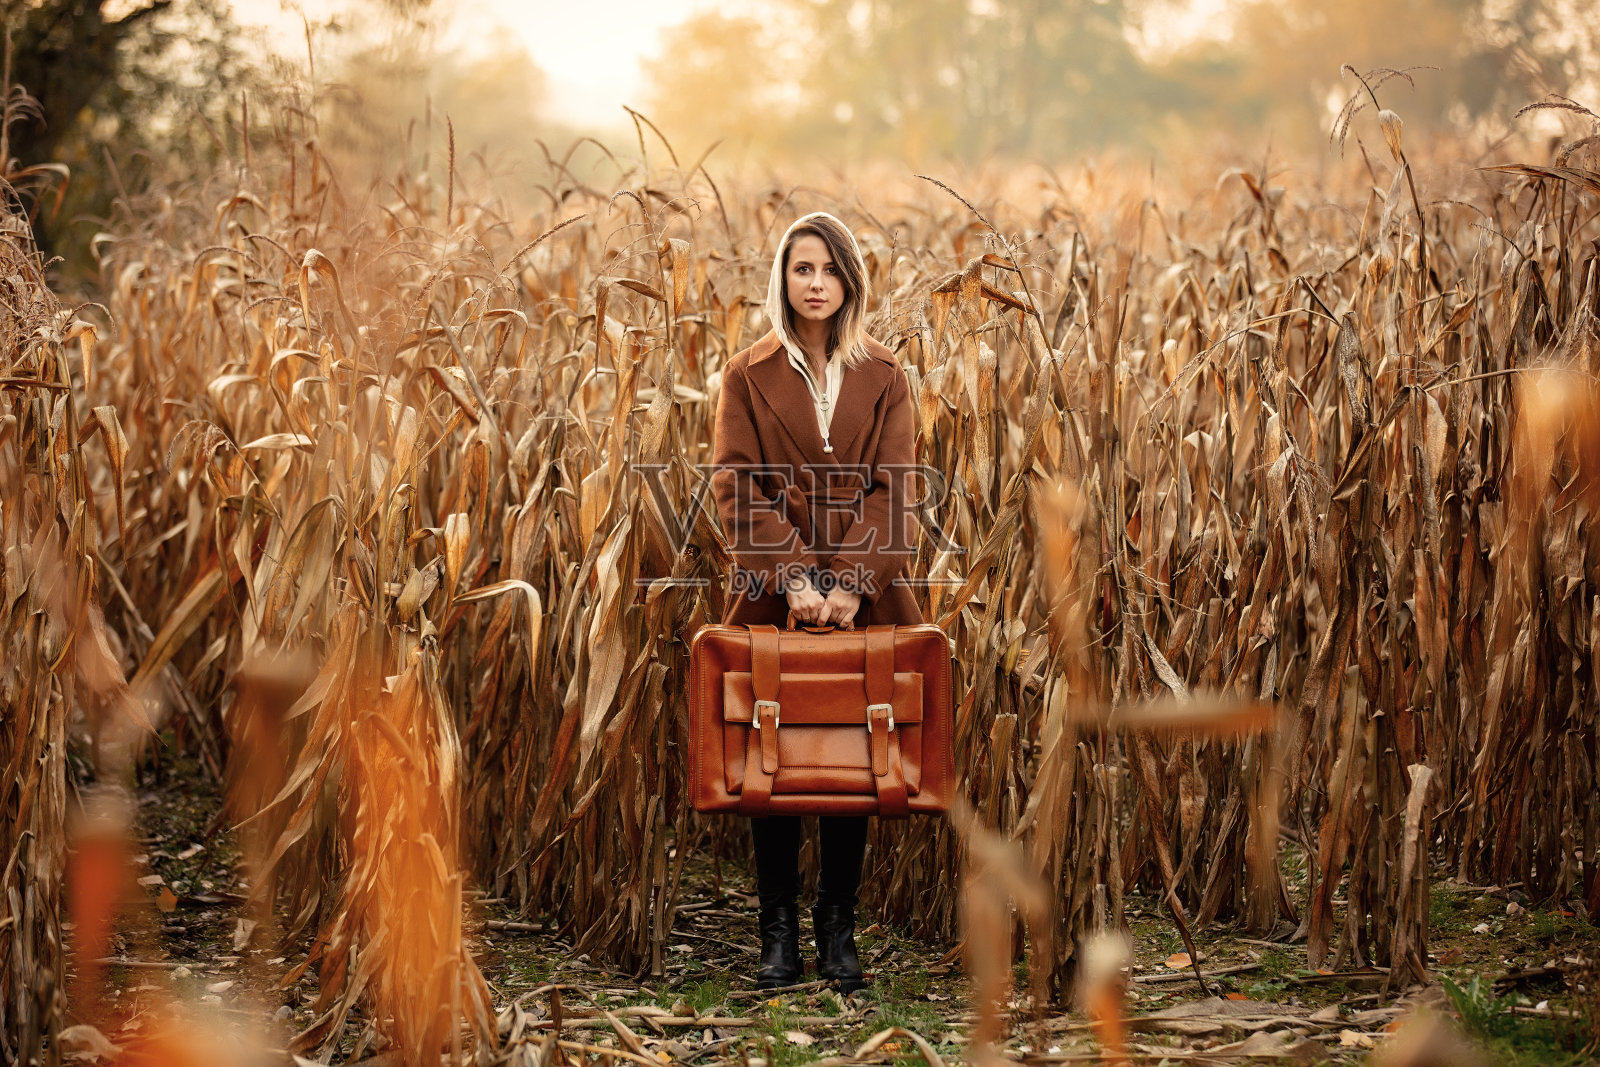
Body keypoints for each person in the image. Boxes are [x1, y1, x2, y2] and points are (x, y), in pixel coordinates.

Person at [709, 211, 922, 992]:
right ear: (783, 278)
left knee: (852, 755)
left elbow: (894, 491)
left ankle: (837, 931)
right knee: (772, 753)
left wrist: (848, 584)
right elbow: (736, 484)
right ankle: (777, 938)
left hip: (866, 599)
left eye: (830, 270)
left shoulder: (886, 375)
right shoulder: (746, 373)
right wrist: (797, 577)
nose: (817, 284)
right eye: (803, 269)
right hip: (772, 597)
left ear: (850, 281)